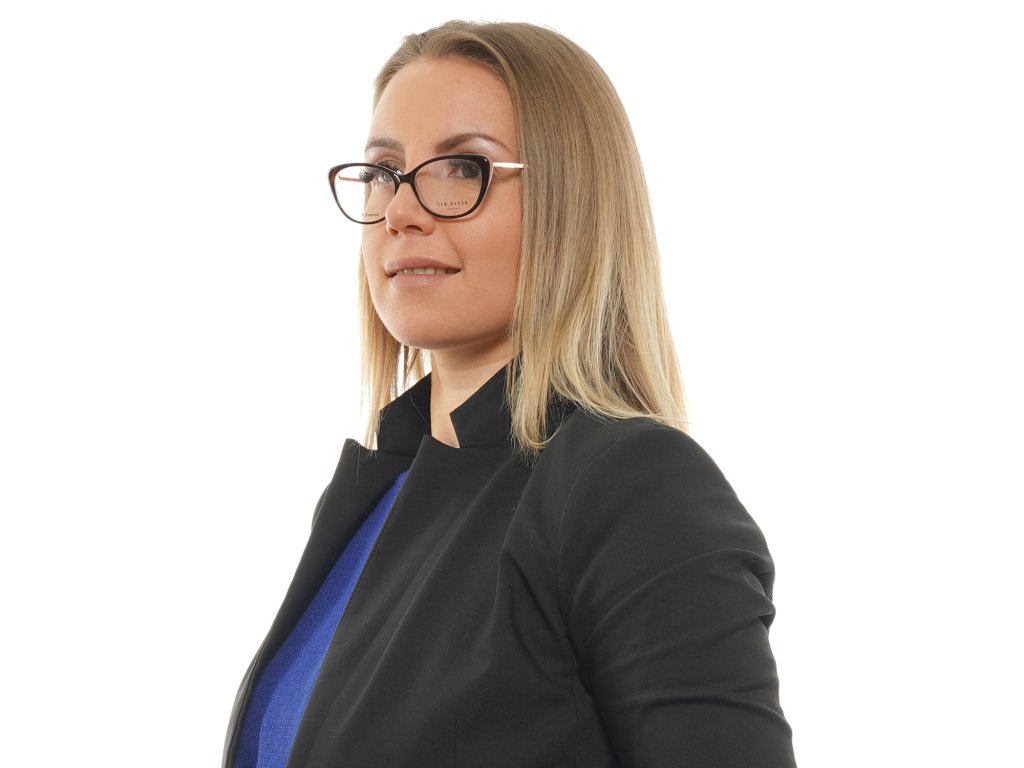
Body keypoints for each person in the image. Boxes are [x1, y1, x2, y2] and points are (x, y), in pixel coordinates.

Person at [223, 20, 796, 768]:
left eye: (463, 168)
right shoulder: (374, 493)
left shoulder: (630, 488)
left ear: (571, 204)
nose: (401, 211)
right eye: (385, 172)